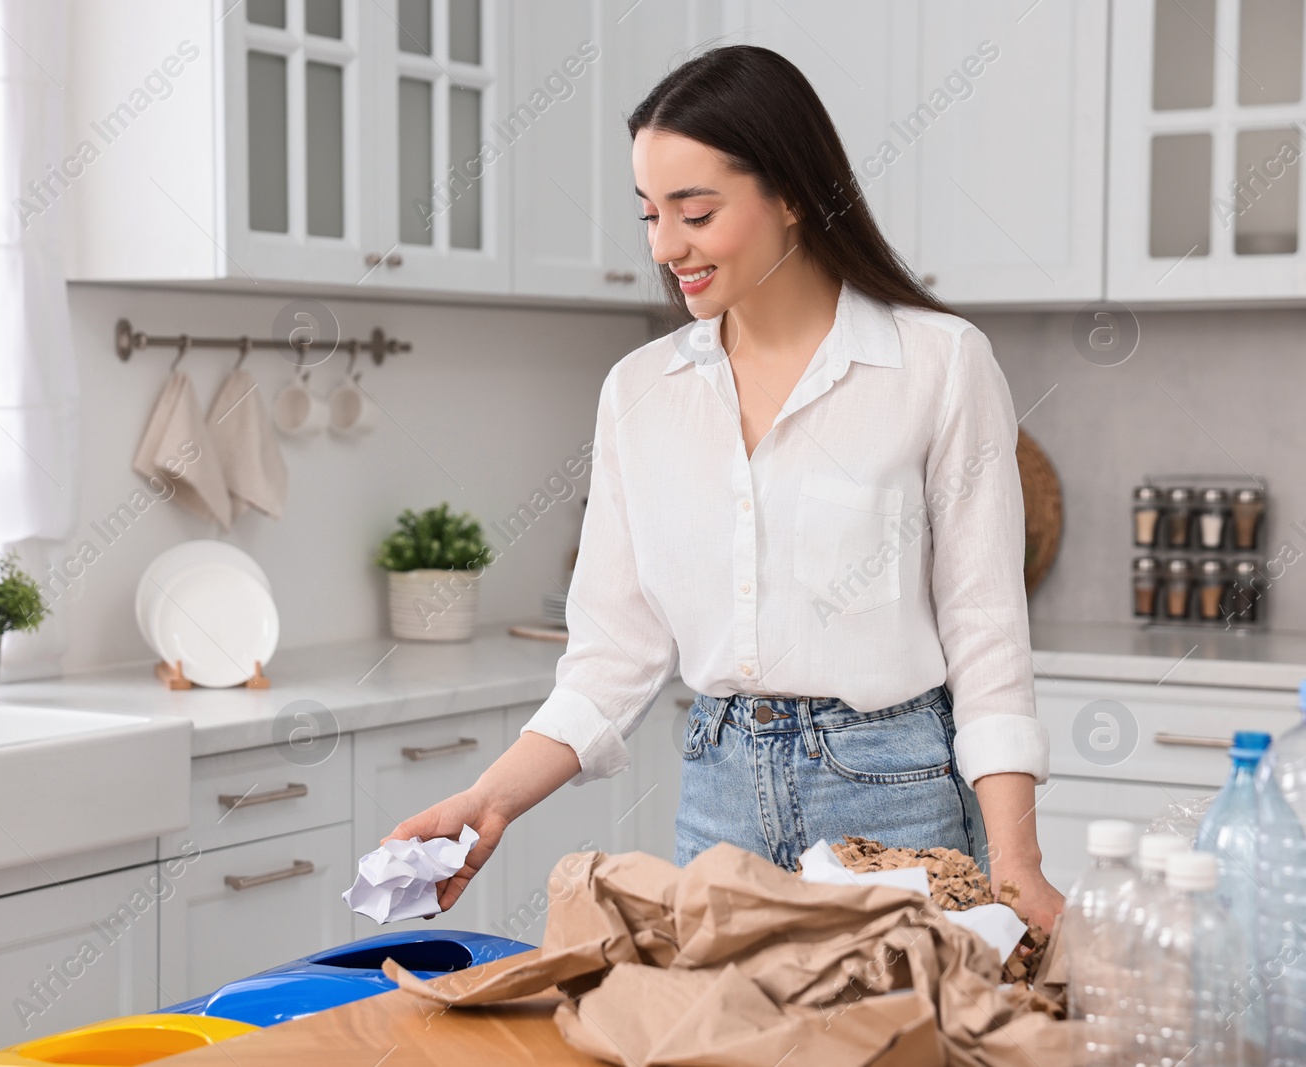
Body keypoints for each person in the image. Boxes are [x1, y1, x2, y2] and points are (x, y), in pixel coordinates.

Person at [386, 44, 1064, 932]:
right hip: (718, 793)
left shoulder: (937, 364)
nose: (667, 248)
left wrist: (1017, 866)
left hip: (894, 800)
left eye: (695, 212)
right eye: (650, 215)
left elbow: (986, 635)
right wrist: (491, 799)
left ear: (789, 194)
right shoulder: (640, 392)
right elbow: (610, 657)